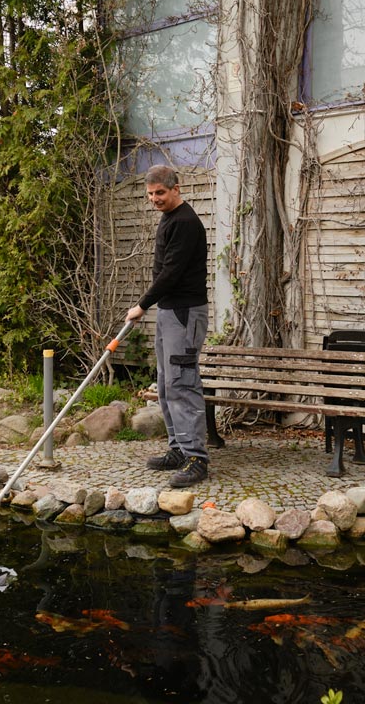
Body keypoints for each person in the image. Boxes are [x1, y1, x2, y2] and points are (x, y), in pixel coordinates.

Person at [125, 164, 210, 488]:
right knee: (165, 384)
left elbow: (171, 272)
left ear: (176, 189)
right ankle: (177, 449)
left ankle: (196, 459)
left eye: (160, 192)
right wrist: (152, 305)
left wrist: (142, 304)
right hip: (169, 311)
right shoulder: (169, 219)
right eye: (150, 194)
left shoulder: (186, 222)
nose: (154, 199)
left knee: (182, 383)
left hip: (185, 314)